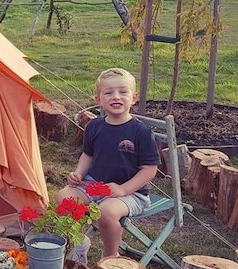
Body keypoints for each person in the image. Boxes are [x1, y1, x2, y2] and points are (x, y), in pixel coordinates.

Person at [55, 68, 160, 258]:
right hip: (93, 184)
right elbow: (88, 155)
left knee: (106, 212)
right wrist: (79, 173)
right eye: (109, 92)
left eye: (123, 92)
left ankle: (110, 257)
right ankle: (80, 242)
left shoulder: (141, 132)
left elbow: (150, 170)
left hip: (131, 193)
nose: (116, 97)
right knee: (63, 198)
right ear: (98, 100)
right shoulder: (94, 126)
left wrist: (123, 190)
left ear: (134, 97)